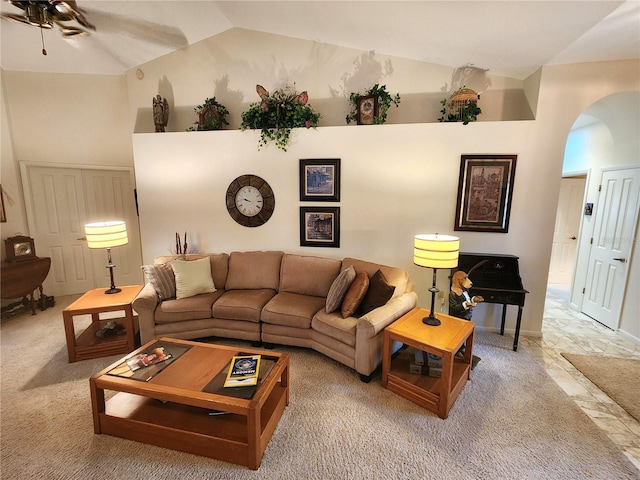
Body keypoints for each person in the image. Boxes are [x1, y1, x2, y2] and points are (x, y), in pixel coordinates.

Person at [449, 270, 483, 368]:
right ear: (458, 280)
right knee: (458, 336)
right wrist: (465, 305)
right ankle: (458, 351)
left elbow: (467, 300)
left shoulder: (464, 291)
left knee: (465, 335)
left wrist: (473, 300)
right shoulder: (453, 294)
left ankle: (463, 350)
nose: (468, 281)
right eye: (464, 278)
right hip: (458, 319)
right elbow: (454, 307)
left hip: (467, 316)